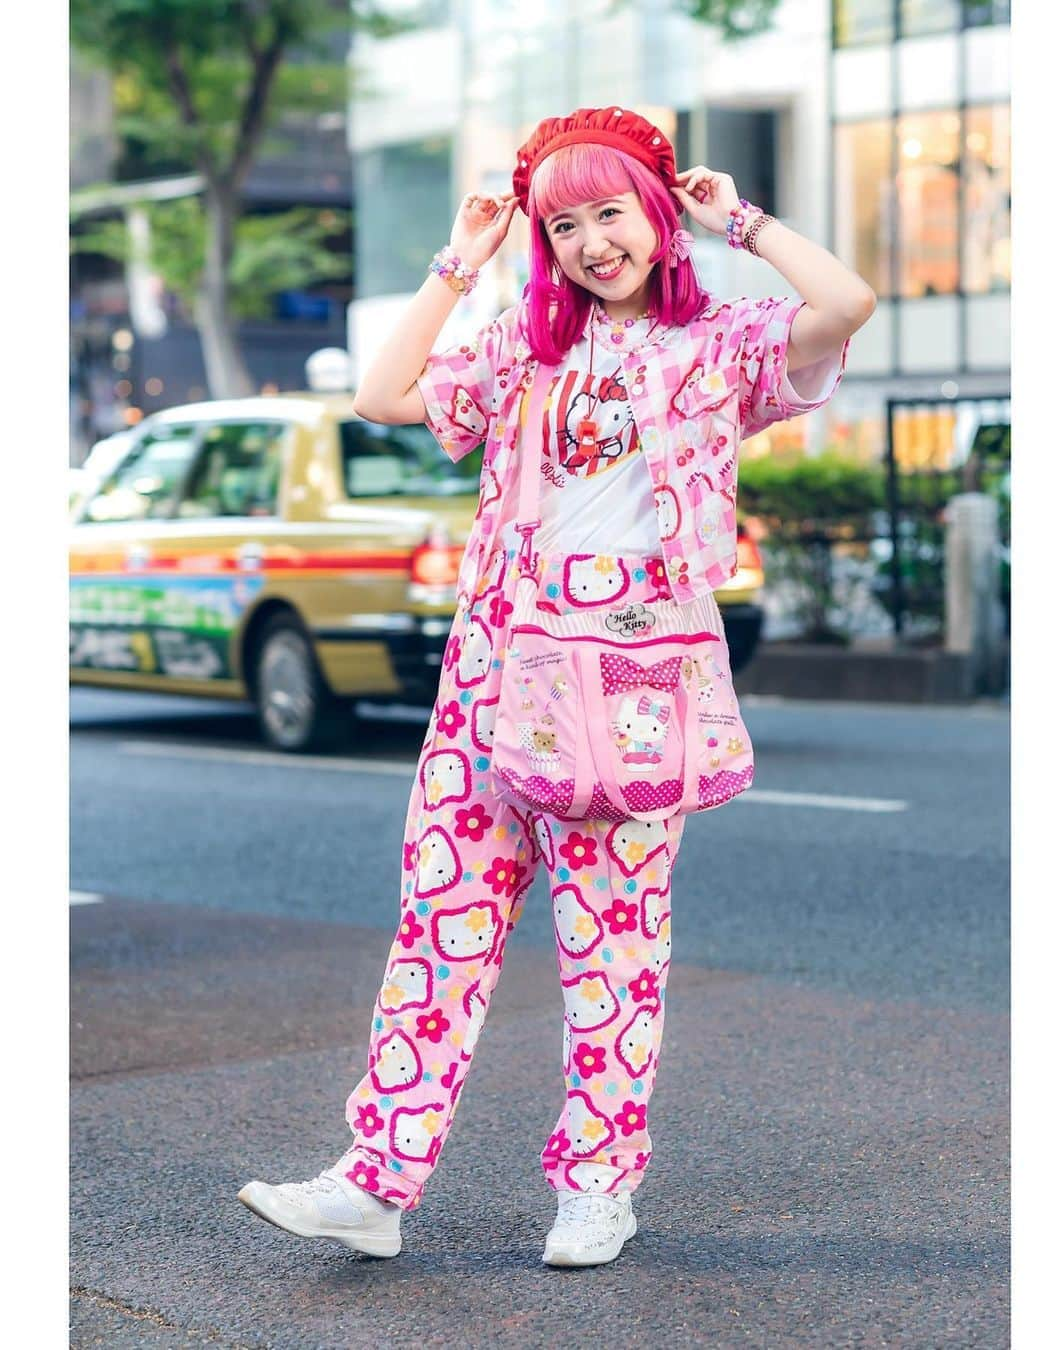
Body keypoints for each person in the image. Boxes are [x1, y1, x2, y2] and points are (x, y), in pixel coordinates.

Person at [238, 106, 875, 1267]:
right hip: (489, 679)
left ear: (656, 215)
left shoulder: (719, 343)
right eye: (565, 223)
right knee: (439, 932)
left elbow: (846, 305)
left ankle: (598, 1188)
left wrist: (739, 221)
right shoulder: (521, 348)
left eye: (612, 212)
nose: (592, 241)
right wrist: (459, 262)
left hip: (626, 680)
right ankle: (375, 1181)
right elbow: (385, 395)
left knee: (613, 950)